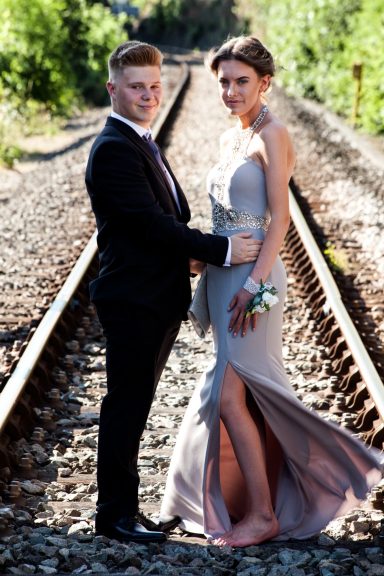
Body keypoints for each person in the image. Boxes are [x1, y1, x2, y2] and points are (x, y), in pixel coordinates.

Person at [159, 36, 383, 547]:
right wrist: (203, 257)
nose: (231, 91)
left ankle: (264, 511)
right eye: (224, 82)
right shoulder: (228, 138)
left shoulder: (272, 135)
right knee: (232, 393)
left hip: (253, 281)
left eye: (242, 81)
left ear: (265, 83)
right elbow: (223, 217)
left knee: (232, 394)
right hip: (222, 278)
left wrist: (254, 285)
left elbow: (279, 218)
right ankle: (241, 502)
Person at [85, 40, 262, 544]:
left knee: (135, 407)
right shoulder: (115, 148)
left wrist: (184, 255)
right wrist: (221, 250)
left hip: (151, 295)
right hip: (133, 300)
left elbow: (157, 224)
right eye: (137, 87)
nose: (149, 95)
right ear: (112, 89)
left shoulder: (139, 139)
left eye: (155, 86)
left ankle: (125, 508)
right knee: (125, 407)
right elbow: (150, 224)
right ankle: (114, 516)